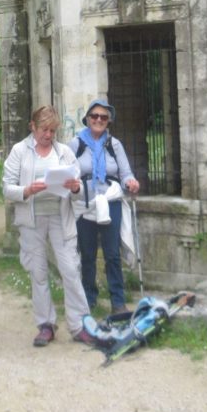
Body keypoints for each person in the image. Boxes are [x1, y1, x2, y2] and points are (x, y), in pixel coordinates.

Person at [2, 105, 98, 347]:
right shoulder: (19, 151)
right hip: (32, 219)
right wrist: (27, 190)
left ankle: (80, 324)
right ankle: (45, 325)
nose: (48, 135)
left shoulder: (64, 152)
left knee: (70, 270)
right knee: (39, 272)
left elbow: (78, 191)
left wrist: (75, 188)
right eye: (44, 129)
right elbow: (7, 188)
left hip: (60, 218)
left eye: (53, 130)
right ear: (32, 127)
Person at [70, 99, 140, 315]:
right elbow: (68, 172)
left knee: (112, 254)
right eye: (95, 116)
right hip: (85, 204)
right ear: (87, 119)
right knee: (87, 254)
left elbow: (125, 173)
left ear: (108, 121)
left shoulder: (114, 144)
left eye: (103, 117)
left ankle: (118, 302)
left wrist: (131, 182)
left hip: (110, 202)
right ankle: (88, 300)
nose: (99, 120)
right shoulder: (75, 144)